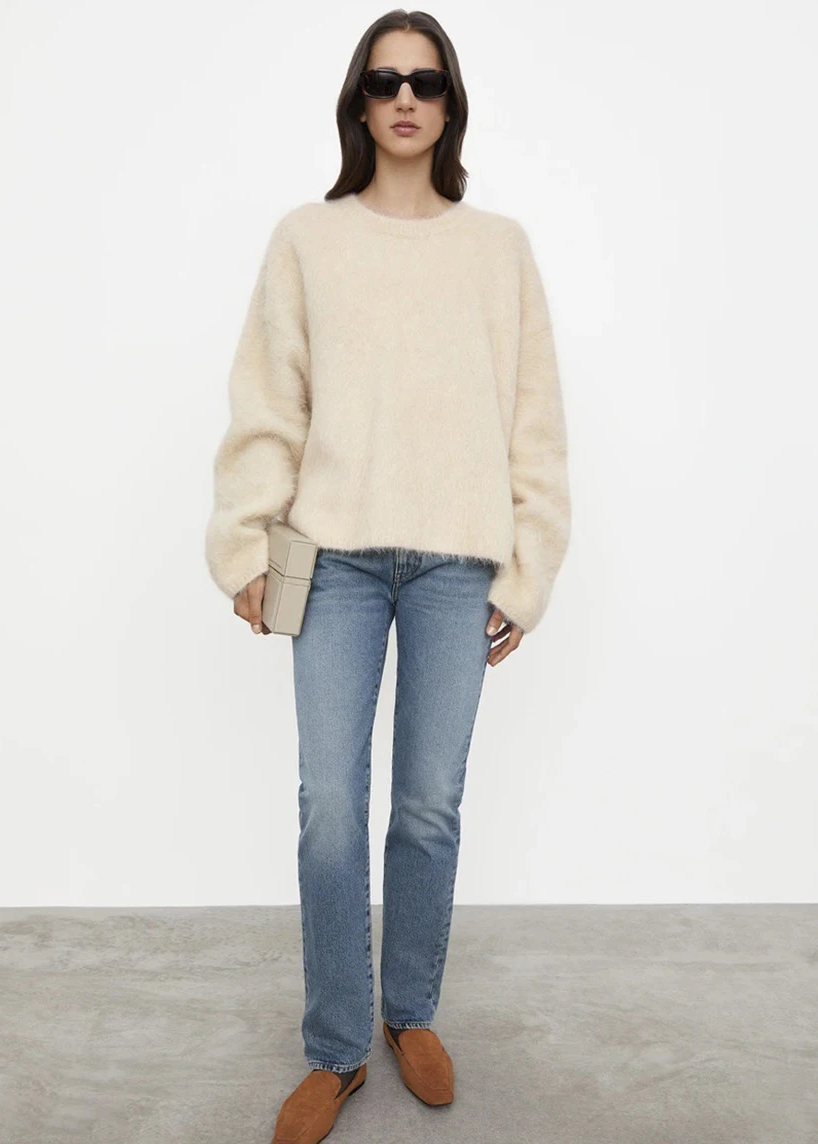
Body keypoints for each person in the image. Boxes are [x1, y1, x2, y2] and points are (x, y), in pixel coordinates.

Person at [204, 9, 571, 1143]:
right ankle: (336, 1047)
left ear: (450, 103)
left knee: (427, 804)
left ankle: (409, 1011)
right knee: (329, 806)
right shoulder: (308, 240)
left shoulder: (498, 248)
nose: (405, 97)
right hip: (337, 560)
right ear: (358, 106)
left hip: (458, 563)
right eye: (383, 81)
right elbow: (270, 403)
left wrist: (528, 565)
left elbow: (534, 420)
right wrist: (248, 544)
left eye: (425, 80)